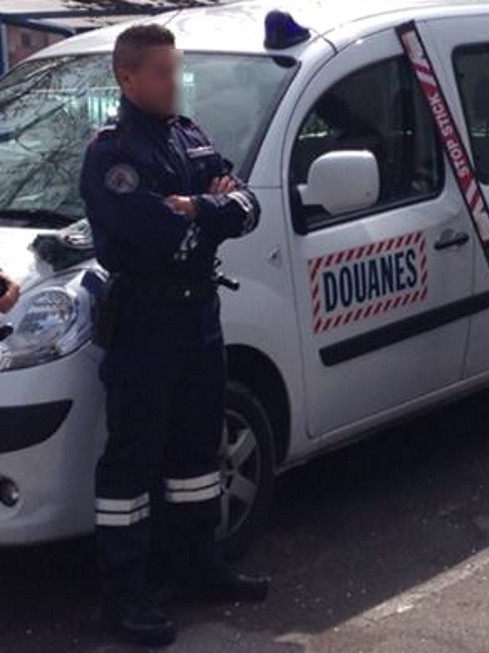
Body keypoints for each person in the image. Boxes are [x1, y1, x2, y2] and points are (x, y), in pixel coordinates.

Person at [79, 25, 266, 647]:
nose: (174, 82)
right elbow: (157, 232)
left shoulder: (191, 135)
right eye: (161, 72)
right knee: (131, 464)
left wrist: (199, 208)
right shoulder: (112, 153)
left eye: (177, 69)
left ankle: (197, 566)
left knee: (196, 454)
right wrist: (206, 213)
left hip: (199, 317)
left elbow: (249, 206)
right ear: (127, 78)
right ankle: (126, 595)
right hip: (144, 324)